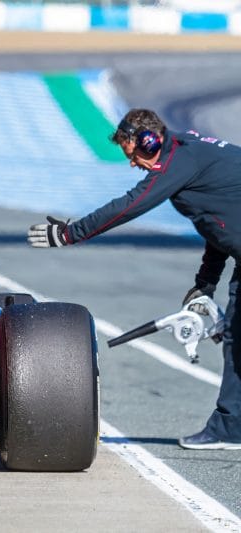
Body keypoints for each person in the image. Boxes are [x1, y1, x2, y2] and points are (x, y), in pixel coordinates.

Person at [27, 108, 241, 450]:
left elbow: (130, 205)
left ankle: (230, 429)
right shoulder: (185, 154)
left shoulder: (177, 162)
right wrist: (206, 283)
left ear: (148, 141)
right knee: (236, 338)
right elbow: (221, 222)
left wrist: (71, 234)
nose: (132, 164)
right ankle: (231, 429)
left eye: (132, 155)